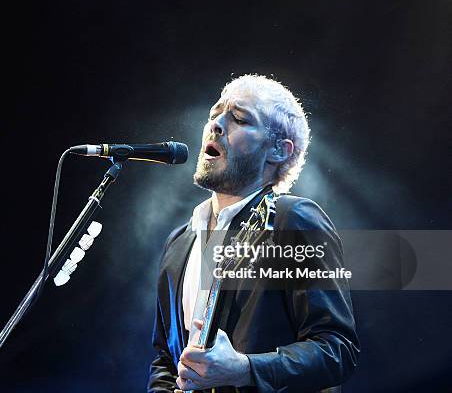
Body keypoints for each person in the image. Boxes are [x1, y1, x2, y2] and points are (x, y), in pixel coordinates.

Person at [147, 74, 360, 393]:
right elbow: (165, 359)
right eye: (214, 113)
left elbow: (336, 350)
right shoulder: (180, 241)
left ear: (279, 150)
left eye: (240, 119)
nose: (216, 124)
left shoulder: (294, 220)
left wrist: (245, 369)